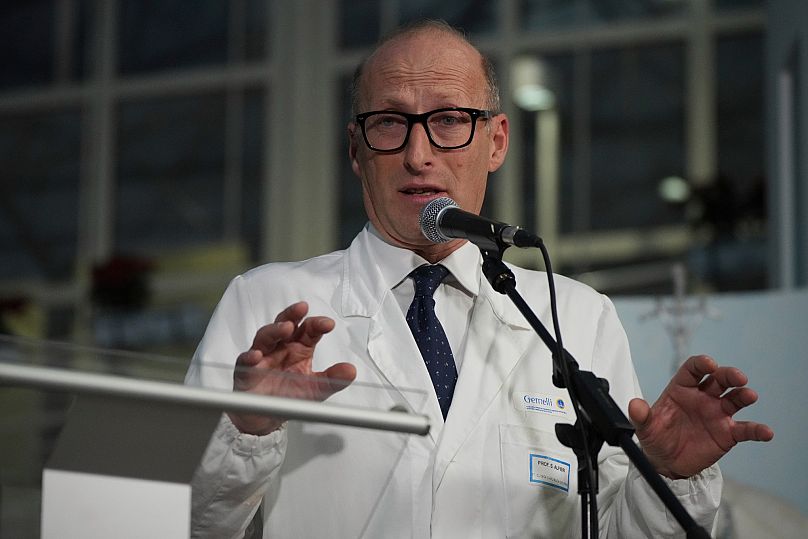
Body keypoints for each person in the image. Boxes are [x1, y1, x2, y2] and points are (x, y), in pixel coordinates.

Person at [185, 20, 773, 538]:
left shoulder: (576, 316)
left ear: (496, 141)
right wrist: (248, 431)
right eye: (390, 123)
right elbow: (181, 522)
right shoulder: (266, 303)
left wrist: (669, 476)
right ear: (356, 148)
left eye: (448, 120)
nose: (419, 154)